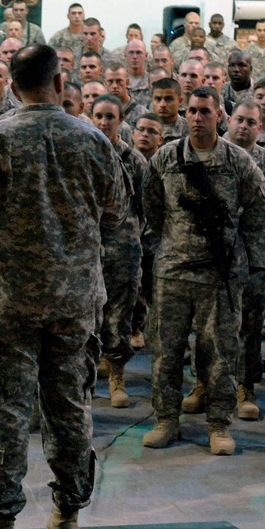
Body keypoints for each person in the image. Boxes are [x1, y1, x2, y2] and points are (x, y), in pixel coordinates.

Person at [0, 45, 126, 529]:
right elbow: (115, 217)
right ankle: (67, 517)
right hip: (75, 300)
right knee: (69, 407)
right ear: (61, 84)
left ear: (9, 87)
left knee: (6, 412)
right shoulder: (93, 141)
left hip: (11, 302)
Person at [142, 86, 265, 455]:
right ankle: (166, 419)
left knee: (219, 351)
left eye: (205, 111)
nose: (198, 118)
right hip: (173, 271)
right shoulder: (166, 158)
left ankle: (219, 423)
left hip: (220, 274)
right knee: (166, 350)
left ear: (221, 117)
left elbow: (259, 214)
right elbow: (151, 207)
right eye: (193, 111)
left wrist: (240, 258)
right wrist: (166, 246)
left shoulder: (238, 161)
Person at [225, 100, 265, 419]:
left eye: (252, 122)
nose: (245, 127)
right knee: (209, 324)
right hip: (214, 255)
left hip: (256, 256)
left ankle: (245, 387)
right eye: (240, 120)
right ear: (228, 120)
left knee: (249, 325)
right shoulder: (210, 158)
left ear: (260, 128)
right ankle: (207, 385)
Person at [91, 95, 148, 409]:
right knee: (87, 316)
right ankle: (85, 380)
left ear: (120, 120)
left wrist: (132, 236)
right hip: (87, 250)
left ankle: (117, 378)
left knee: (119, 317)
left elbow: (146, 205)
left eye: (110, 116)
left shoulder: (133, 159)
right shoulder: (83, 153)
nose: (103, 122)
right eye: (98, 116)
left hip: (123, 250)